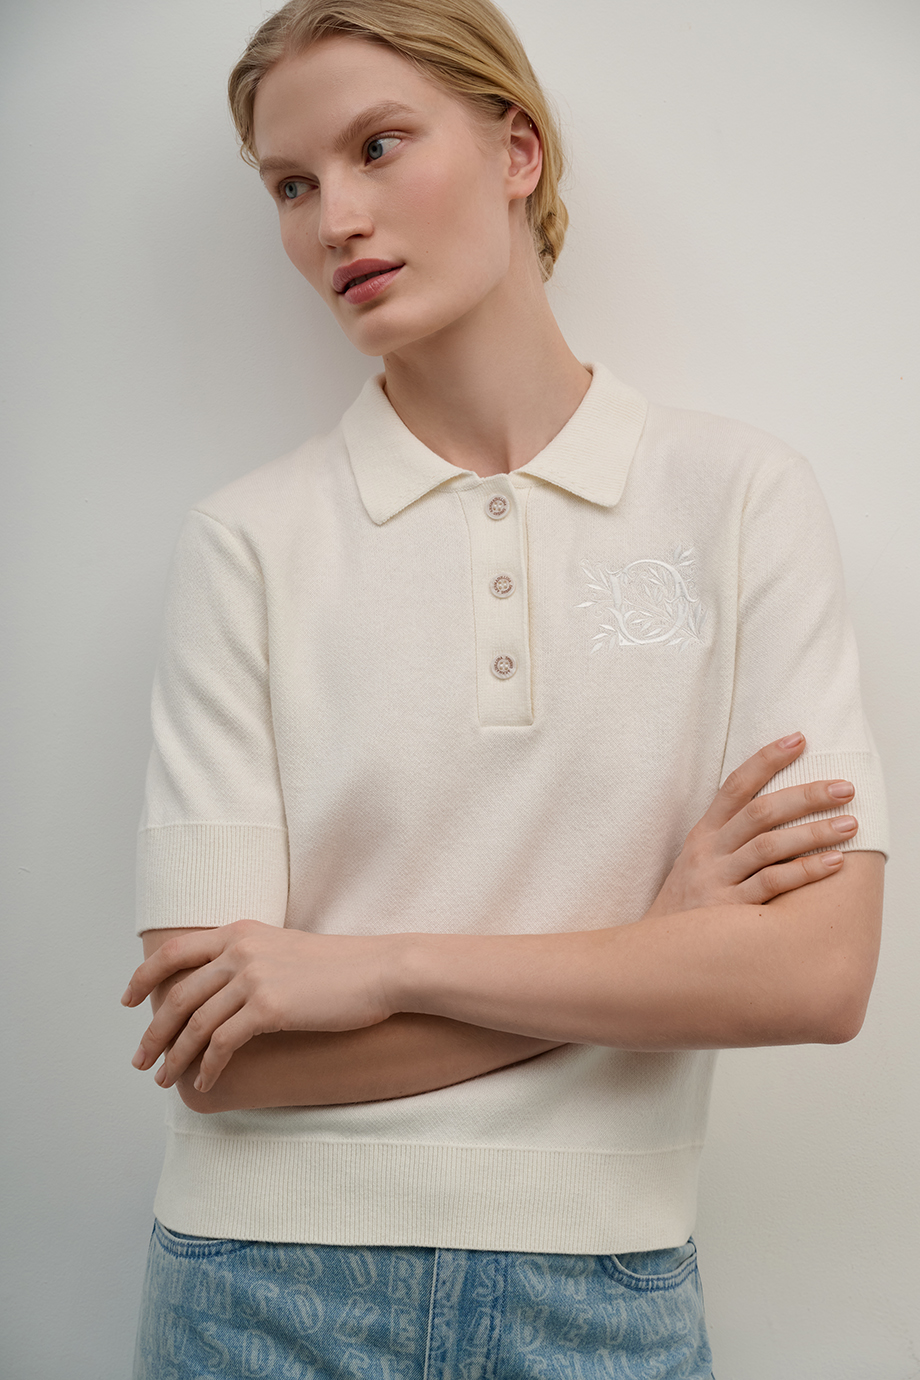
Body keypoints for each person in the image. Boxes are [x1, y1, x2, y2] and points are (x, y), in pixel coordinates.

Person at [123, 1, 888, 1374]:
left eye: (377, 146)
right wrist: (655, 954)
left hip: (607, 1297)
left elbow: (813, 974)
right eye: (290, 186)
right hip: (255, 1293)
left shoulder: (737, 499)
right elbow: (224, 1057)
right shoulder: (247, 543)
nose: (334, 220)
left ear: (516, 151)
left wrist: (377, 968)